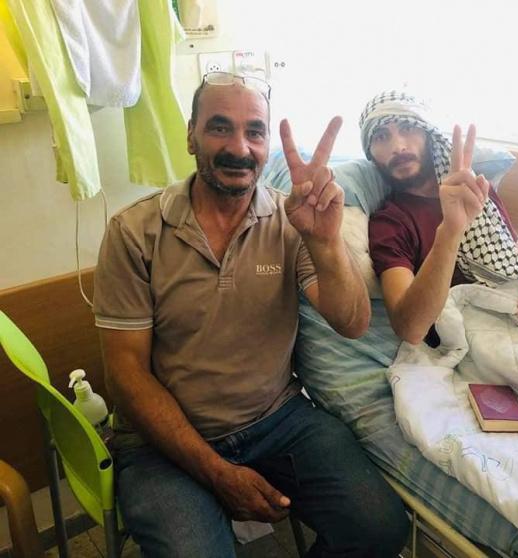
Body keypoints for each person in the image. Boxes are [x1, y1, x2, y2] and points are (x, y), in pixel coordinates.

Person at [93, 73, 409, 558]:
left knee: (380, 528)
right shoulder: (134, 232)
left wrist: (325, 241)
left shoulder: (290, 221)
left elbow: (352, 322)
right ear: (191, 136)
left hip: (277, 420)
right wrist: (217, 472)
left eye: (255, 132)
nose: (239, 148)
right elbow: (125, 373)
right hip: (164, 442)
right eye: (220, 127)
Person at [362, 91, 518, 346]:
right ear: (371, 153)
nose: (398, 147)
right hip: (477, 340)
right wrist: (450, 230)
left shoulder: (476, 190)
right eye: (381, 136)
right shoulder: (390, 223)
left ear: (428, 134)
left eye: (407, 128)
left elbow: (511, 262)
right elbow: (410, 329)